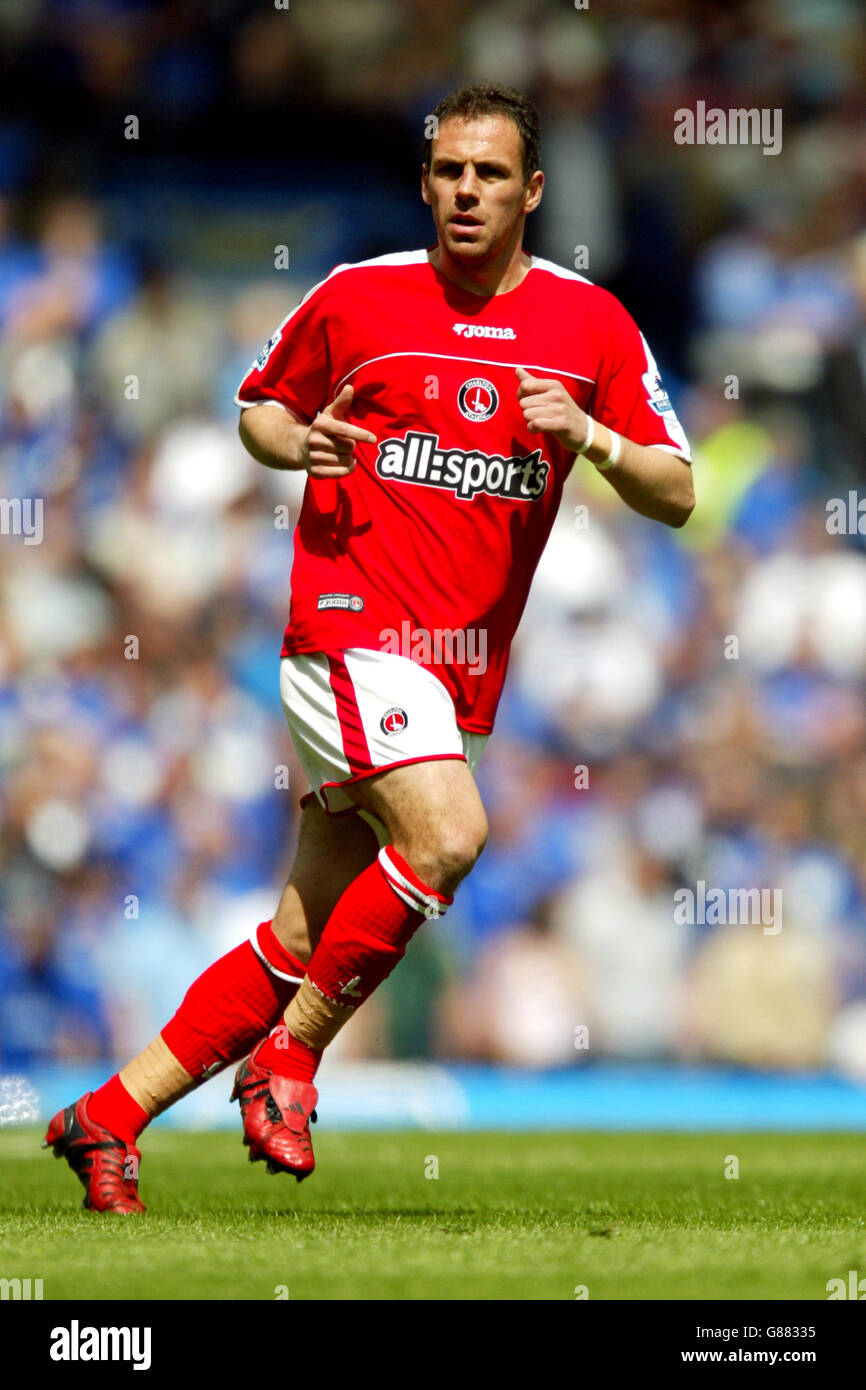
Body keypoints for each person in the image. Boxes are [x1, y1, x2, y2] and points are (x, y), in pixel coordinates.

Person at [43, 82, 694, 1212]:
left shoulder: (588, 324)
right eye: (446, 171)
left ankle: (108, 1115)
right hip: (344, 627)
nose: (464, 192)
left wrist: (588, 433)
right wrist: (301, 441)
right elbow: (256, 408)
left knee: (303, 932)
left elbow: (677, 492)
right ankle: (291, 1058)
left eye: (489, 174)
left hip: (451, 675)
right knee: (450, 834)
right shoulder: (357, 297)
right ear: (425, 180)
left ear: (531, 191)